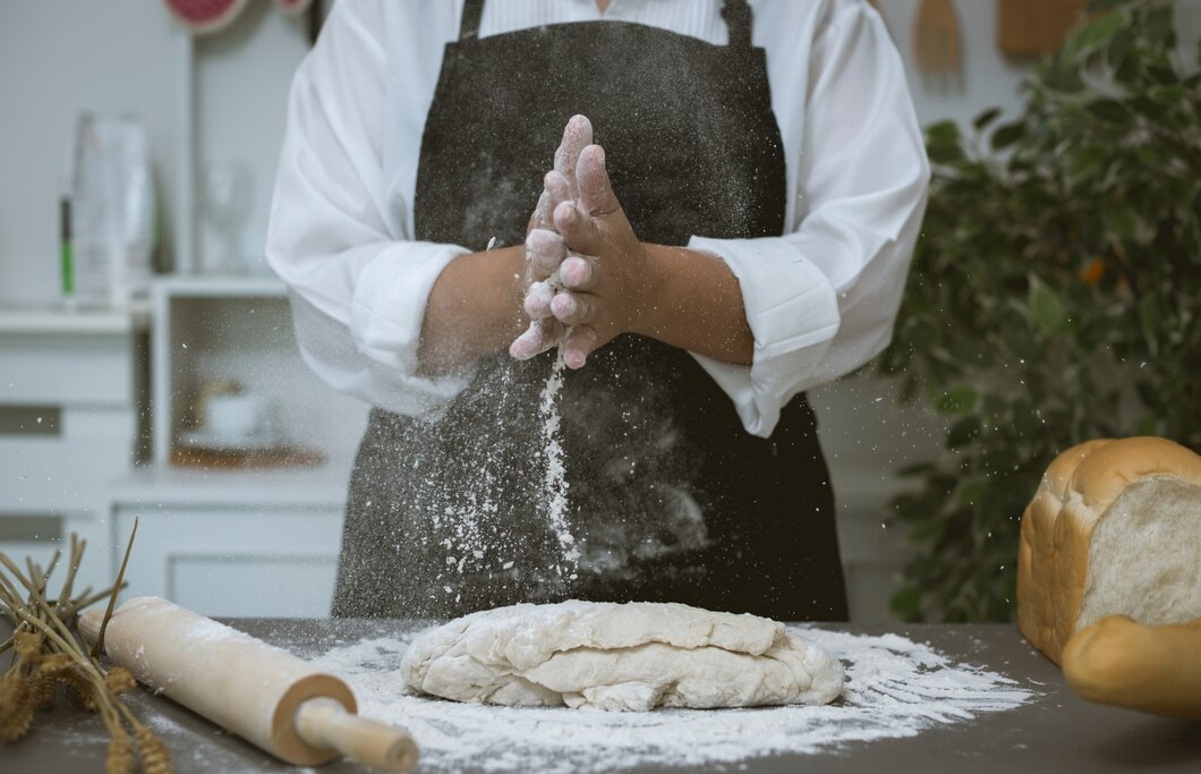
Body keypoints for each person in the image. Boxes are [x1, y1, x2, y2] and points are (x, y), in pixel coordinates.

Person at [266, 0, 929, 621]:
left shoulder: (816, 14)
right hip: (438, 554)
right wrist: (529, 280)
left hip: (737, 554)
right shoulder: (386, 11)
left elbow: (863, 272)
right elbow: (325, 278)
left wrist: (648, 289)